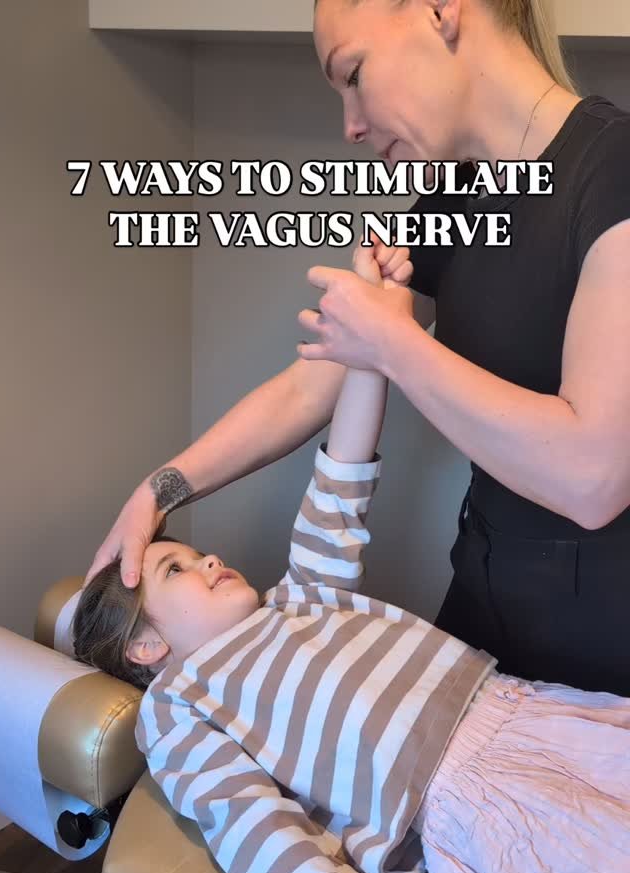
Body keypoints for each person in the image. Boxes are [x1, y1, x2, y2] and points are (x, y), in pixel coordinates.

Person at [75, 245, 630, 873]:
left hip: (531, 716)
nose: (210, 559)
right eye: (178, 568)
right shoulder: (182, 711)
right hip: (475, 802)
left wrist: (376, 324)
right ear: (145, 648)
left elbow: (345, 466)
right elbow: (255, 834)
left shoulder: (303, 596)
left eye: (197, 550)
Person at [85, 0, 630, 698]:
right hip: (483, 616)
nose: (351, 126)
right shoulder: (463, 193)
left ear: (441, 11)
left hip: (602, 646)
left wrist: (393, 343)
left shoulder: (613, 168)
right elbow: (314, 382)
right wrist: (159, 490)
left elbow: (593, 478)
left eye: (354, 74)